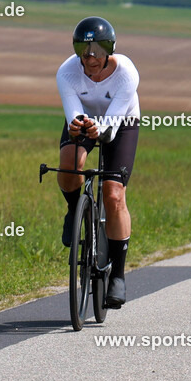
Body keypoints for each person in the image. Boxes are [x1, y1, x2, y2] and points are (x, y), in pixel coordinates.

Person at [55, 16, 140, 309]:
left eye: (98, 51)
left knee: (114, 194)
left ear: (109, 51)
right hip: (85, 118)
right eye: (84, 49)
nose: (91, 57)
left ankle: (117, 274)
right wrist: (81, 124)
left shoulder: (127, 73)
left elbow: (113, 123)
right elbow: (73, 115)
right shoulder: (66, 72)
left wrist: (101, 129)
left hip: (121, 121)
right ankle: (73, 210)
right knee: (69, 164)